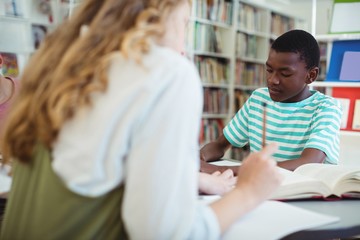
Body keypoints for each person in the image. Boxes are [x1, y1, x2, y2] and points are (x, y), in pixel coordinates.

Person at [0, 0, 282, 239]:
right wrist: (248, 193)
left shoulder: (57, 64)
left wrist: (187, 178)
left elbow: (96, 163)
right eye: (184, 24)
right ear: (162, 13)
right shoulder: (164, 71)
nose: (183, 49)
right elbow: (163, 234)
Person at [200, 29, 342, 174]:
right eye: (269, 70)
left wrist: (223, 169)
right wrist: (198, 159)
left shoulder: (326, 108)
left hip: (308, 191)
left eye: (285, 74)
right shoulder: (258, 99)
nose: (272, 80)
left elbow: (308, 164)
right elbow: (220, 144)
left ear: (311, 76)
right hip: (263, 187)